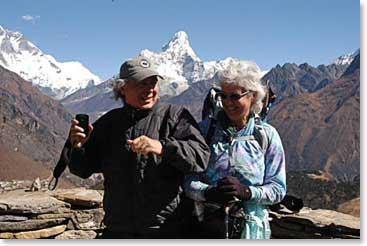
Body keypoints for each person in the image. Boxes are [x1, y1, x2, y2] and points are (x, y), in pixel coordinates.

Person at [63, 56, 210, 238]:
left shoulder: (175, 117)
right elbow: (82, 170)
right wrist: (77, 146)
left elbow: (200, 158)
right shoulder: (109, 123)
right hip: (118, 230)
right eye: (141, 84)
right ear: (123, 89)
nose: (149, 90)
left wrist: (162, 147)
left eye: (153, 83)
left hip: (165, 230)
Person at [184, 60, 286, 239]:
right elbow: (188, 181)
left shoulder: (266, 136)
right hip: (208, 227)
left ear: (252, 96)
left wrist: (246, 192)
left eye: (235, 96)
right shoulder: (204, 132)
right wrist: (209, 193)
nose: (227, 103)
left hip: (252, 231)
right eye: (223, 96)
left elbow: (278, 189)